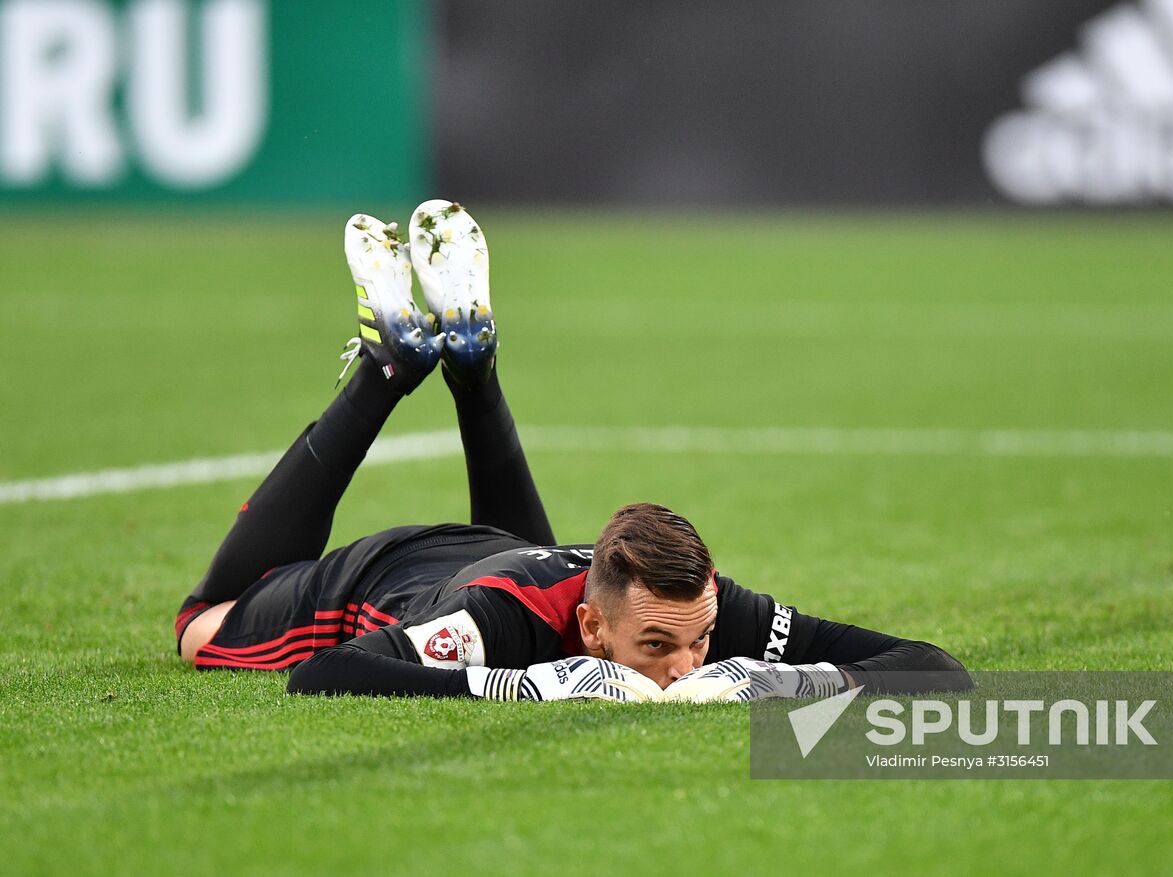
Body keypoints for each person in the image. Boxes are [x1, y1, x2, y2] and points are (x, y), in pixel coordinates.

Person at [176, 200, 970, 702]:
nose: (686, 666)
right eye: (656, 647)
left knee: (529, 557)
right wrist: (535, 685)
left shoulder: (703, 611)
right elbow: (329, 674)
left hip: (511, 553)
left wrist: (778, 680)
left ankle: (472, 361)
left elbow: (935, 668)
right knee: (198, 624)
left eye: (698, 639)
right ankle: (384, 373)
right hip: (377, 580)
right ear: (592, 629)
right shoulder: (491, 626)